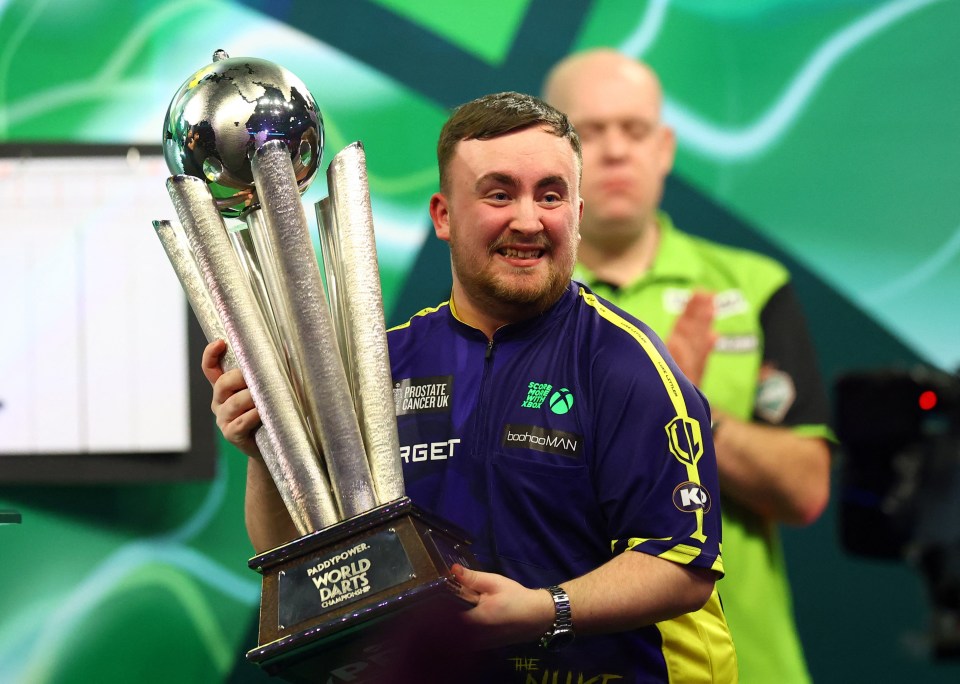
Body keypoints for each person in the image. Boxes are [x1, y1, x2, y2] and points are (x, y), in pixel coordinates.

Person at [203, 91, 737, 682]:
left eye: (551, 195)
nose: (529, 220)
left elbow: (681, 564)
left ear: (578, 215)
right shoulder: (380, 366)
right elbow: (308, 558)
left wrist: (543, 610)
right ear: (443, 216)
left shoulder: (624, 365)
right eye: (499, 193)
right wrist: (266, 448)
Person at [543, 49, 833, 683]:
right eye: (589, 132)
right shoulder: (513, 305)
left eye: (635, 130)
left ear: (665, 147)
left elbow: (806, 490)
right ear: (551, 154)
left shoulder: (753, 286)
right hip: (573, 664)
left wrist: (688, 407)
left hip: (750, 665)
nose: (616, 150)